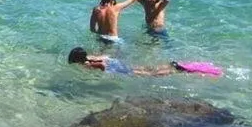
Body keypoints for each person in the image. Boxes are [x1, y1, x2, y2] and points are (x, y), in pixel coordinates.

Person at [66, 47, 196, 77]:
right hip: (114, 61)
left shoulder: (86, 64)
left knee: (147, 75)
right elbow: (104, 57)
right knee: (145, 68)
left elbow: (101, 64)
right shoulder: (89, 56)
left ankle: (174, 70)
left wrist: (100, 68)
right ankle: (170, 65)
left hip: (114, 68)